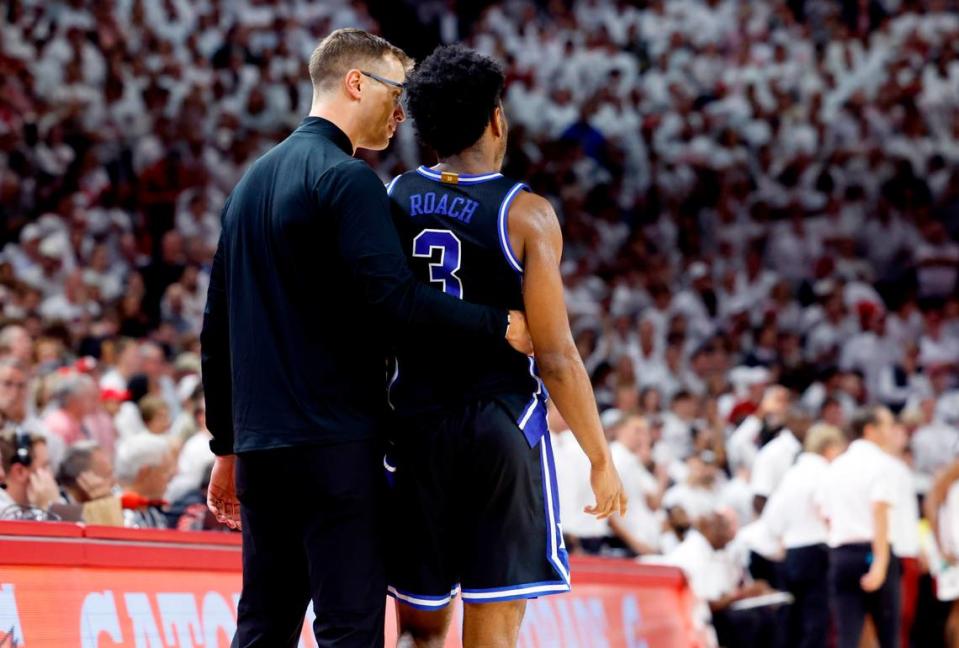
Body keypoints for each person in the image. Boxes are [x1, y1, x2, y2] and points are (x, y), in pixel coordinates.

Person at [200, 29, 532, 648]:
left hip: (262, 451)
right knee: (349, 629)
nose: (401, 111)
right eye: (395, 91)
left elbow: (216, 327)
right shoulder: (347, 179)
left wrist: (227, 445)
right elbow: (397, 303)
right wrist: (499, 324)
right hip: (335, 445)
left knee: (262, 626)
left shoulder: (248, 184)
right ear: (356, 83)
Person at [384, 45, 625, 648]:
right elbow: (557, 356)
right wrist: (600, 457)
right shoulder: (527, 214)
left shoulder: (393, 198)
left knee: (420, 624)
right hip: (498, 423)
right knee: (493, 617)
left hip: (413, 422)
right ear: (495, 119)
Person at [817, 406, 901, 648]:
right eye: (886, 425)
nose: (891, 431)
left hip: (841, 554)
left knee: (847, 636)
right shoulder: (881, 464)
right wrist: (880, 562)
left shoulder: (834, 466)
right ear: (870, 430)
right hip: (873, 552)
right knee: (888, 636)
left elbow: (825, 514)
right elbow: (879, 511)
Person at [763, 423, 846, 648]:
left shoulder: (792, 475)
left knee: (794, 619)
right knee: (817, 621)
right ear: (829, 448)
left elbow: (771, 518)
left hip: (792, 553)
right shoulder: (825, 473)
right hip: (818, 550)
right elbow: (826, 508)